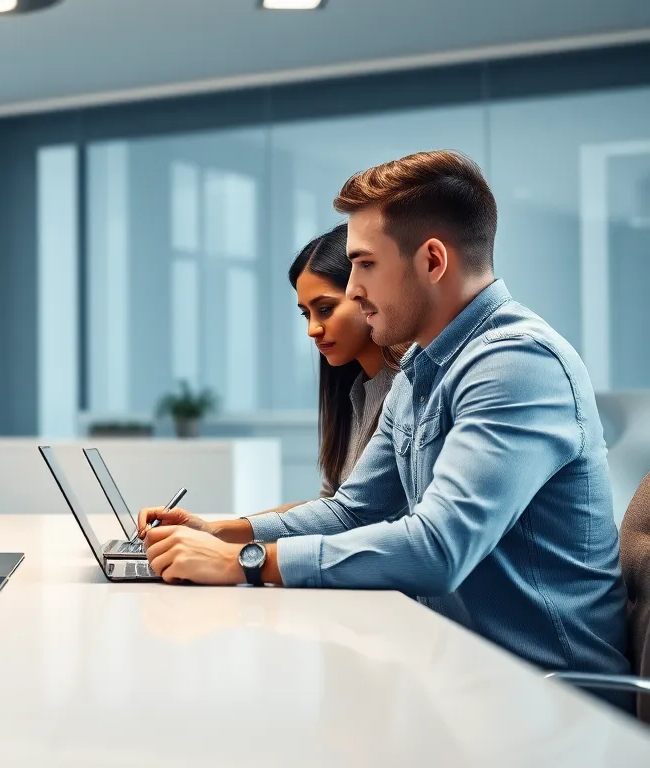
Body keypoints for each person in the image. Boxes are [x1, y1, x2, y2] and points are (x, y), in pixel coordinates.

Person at [138, 150, 629, 684]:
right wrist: (223, 532)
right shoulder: (423, 364)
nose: (351, 289)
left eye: (365, 264)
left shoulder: (516, 363)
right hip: (461, 675)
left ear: (433, 260)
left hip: (549, 701)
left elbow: (437, 548)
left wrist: (248, 561)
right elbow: (353, 511)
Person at [276, 223, 402, 509]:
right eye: (306, 314)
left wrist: (228, 541)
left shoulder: (408, 390)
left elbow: (349, 518)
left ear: (364, 294)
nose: (312, 330)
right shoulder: (353, 392)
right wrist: (211, 530)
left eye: (324, 309)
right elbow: (328, 506)